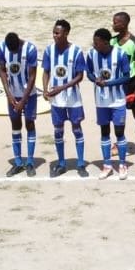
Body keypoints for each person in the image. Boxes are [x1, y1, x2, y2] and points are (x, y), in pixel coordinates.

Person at [42, 19, 89, 176]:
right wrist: (44, 89)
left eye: (57, 33)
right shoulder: (49, 51)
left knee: (77, 129)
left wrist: (61, 88)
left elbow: (80, 76)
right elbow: (46, 71)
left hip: (73, 99)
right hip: (56, 101)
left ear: (66, 33)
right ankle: (61, 163)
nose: (54, 35)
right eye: (54, 32)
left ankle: (81, 164)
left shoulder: (76, 51)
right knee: (58, 131)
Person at [87, 28, 133, 179]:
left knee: (119, 132)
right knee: (104, 132)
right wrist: (95, 80)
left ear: (106, 42)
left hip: (118, 101)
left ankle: (122, 164)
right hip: (101, 102)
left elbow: (126, 77)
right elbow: (89, 72)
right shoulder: (91, 54)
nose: (94, 45)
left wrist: (108, 84)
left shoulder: (120, 54)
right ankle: (107, 165)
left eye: (97, 43)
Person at [0, 30, 41, 176]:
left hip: (29, 95)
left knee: (29, 124)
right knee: (15, 125)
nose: (12, 51)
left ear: (19, 44)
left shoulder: (30, 49)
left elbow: (32, 76)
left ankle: (29, 161)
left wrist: (23, 100)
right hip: (12, 95)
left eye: (14, 49)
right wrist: (9, 95)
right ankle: (17, 162)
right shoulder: (2, 47)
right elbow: (2, 71)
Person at [112, 12, 135, 155]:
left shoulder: (134, 42)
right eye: (113, 22)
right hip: (117, 84)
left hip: (131, 83)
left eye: (116, 22)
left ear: (124, 24)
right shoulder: (112, 41)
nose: (113, 25)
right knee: (118, 116)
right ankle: (119, 143)